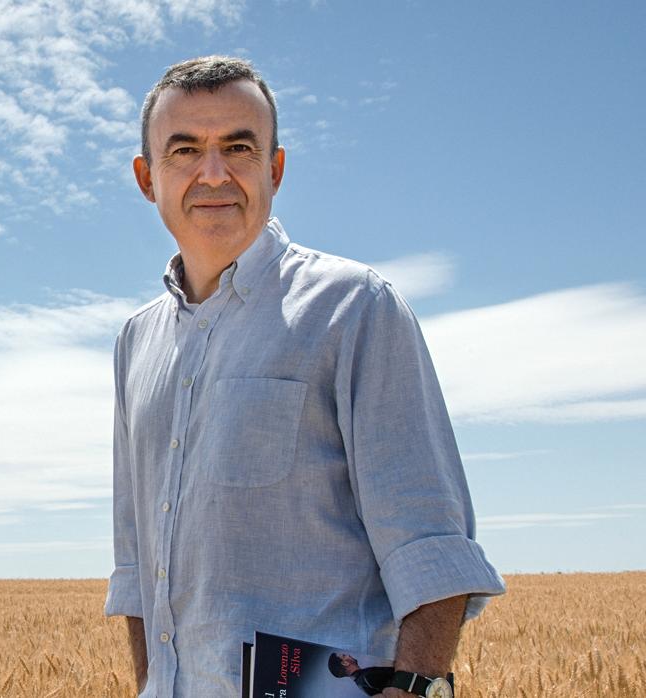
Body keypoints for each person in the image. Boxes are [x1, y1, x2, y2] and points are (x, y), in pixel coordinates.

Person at [104, 56, 505, 697]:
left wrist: (418, 688)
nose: (214, 173)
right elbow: (136, 563)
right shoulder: (136, 341)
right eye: (185, 150)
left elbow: (431, 545)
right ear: (147, 178)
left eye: (239, 146)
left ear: (276, 169)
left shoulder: (352, 307)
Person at [329, 652, 396, 696]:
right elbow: (400, 685)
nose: (348, 655)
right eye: (344, 656)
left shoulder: (361, 682)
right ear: (345, 663)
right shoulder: (367, 676)